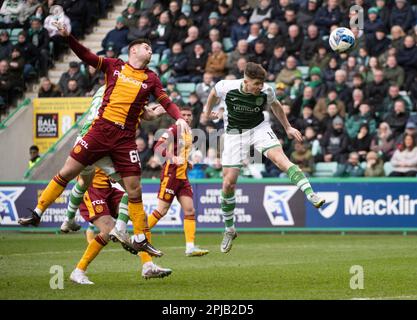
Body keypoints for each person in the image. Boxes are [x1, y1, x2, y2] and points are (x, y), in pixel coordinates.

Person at [18, 21, 190, 258]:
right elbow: (86, 55)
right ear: (133, 51)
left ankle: (140, 237)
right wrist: (69, 37)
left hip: (124, 140)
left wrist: (178, 118)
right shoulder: (114, 66)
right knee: (68, 172)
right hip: (100, 131)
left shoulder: (151, 78)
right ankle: (38, 213)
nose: (150, 51)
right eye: (146, 48)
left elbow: (165, 101)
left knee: (134, 189)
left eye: (151, 49)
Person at [203, 62, 325, 253]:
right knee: (228, 183)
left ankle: (310, 193)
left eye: (262, 83)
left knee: (280, 158)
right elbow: (212, 94)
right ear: (246, 81)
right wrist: (206, 112)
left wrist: (288, 127)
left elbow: (276, 106)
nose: (260, 87)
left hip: (259, 129)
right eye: (257, 83)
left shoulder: (266, 91)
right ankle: (229, 229)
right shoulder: (226, 86)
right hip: (235, 133)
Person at [69, 168, 172, 285]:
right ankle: (78, 271)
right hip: (92, 190)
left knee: (141, 217)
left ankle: (147, 265)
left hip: (108, 189)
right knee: (107, 231)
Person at [138, 106, 209, 262]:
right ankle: (138, 236)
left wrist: (187, 162)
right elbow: (158, 147)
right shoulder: (174, 129)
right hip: (171, 175)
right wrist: (173, 158)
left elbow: (181, 152)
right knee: (161, 210)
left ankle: (190, 247)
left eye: (189, 115)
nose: (186, 117)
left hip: (182, 177)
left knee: (190, 210)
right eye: (183, 114)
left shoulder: (188, 132)